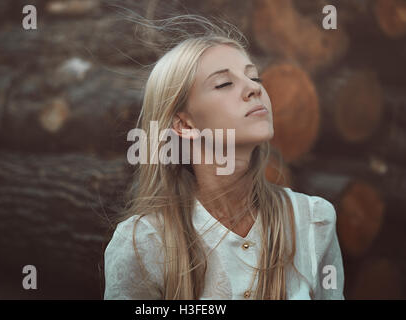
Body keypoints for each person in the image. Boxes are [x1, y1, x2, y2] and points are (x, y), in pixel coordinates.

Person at [103, 14, 345, 300]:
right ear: (185, 125)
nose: (255, 88)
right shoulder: (142, 243)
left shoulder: (314, 222)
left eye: (254, 77)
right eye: (223, 84)